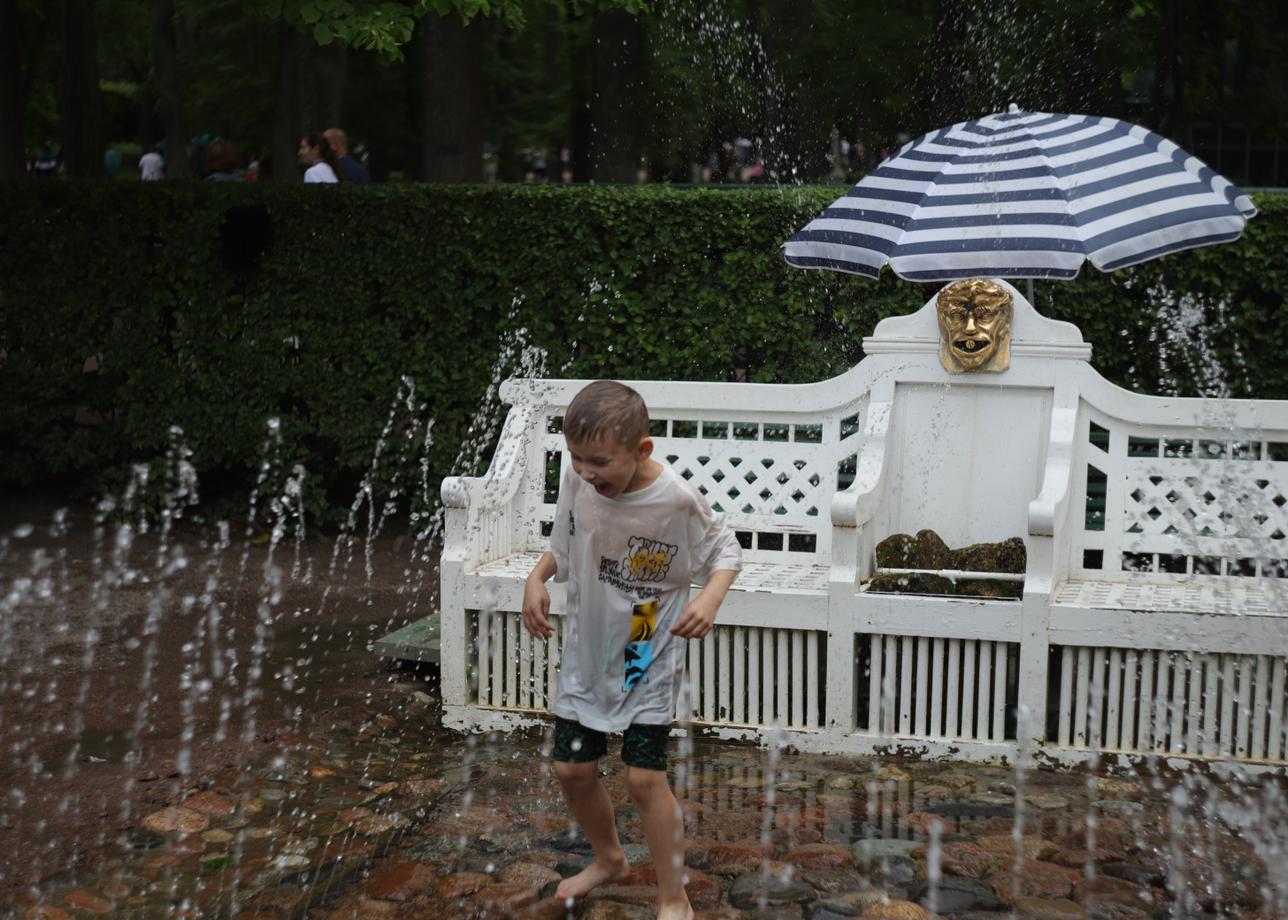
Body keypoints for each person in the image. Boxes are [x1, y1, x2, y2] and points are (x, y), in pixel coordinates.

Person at [522, 381, 741, 920]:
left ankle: (675, 898)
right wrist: (537, 577)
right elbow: (564, 542)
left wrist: (710, 599)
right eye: (576, 459)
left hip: (646, 633)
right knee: (572, 769)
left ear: (641, 450)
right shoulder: (580, 479)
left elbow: (725, 549)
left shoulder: (673, 497)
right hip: (590, 638)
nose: (586, 473)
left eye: (599, 462)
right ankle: (610, 859)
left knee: (643, 777)